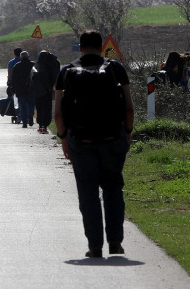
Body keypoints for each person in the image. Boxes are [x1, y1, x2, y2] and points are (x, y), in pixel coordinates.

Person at [54, 29, 134, 258]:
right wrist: (126, 133)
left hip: (81, 140)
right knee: (113, 189)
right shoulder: (116, 69)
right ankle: (115, 242)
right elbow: (129, 107)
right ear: (101, 47)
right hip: (112, 138)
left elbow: (58, 113)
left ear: (80, 47)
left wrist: (63, 139)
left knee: (88, 194)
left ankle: (95, 246)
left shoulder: (67, 72)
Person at [30, 50, 60, 133]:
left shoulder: (37, 66)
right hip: (47, 92)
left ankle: (41, 126)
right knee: (46, 109)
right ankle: (44, 126)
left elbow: (31, 79)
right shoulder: (51, 65)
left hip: (37, 92)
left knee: (39, 109)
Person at [12, 51, 36, 127]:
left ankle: (25, 123)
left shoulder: (16, 66)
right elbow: (36, 77)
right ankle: (31, 115)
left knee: (22, 107)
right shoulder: (33, 65)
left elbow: (13, 80)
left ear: (20, 57)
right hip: (31, 89)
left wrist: (13, 90)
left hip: (20, 90)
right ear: (28, 56)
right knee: (31, 104)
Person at [7, 47, 22, 123]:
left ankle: (18, 114)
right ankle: (26, 114)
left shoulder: (11, 62)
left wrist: (9, 82)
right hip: (24, 83)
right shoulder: (24, 61)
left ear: (14, 53)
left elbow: (9, 74)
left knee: (15, 99)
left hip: (14, 83)